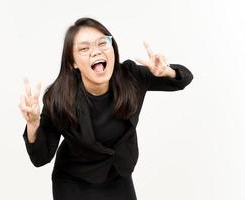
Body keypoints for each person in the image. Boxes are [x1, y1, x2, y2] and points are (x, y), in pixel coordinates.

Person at [18, 17, 193, 200]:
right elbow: (40, 158)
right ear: (73, 63)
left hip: (118, 175)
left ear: (113, 48)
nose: (95, 52)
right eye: (84, 49)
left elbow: (184, 78)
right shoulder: (59, 97)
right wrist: (33, 124)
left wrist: (168, 71)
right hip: (73, 181)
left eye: (103, 43)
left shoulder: (130, 77)